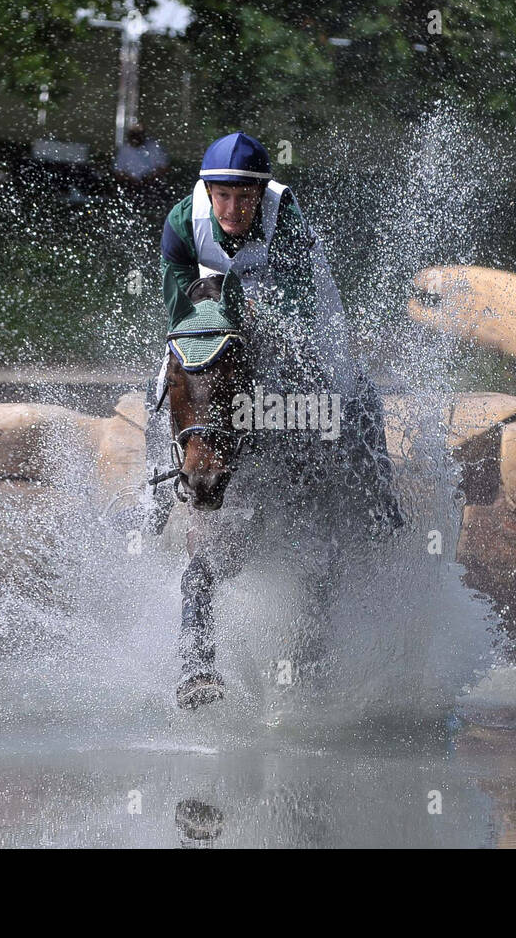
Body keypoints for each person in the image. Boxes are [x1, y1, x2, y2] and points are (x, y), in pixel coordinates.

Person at [142, 131, 403, 708]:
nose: (232, 210)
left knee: (343, 385)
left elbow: (301, 303)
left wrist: (259, 315)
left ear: (261, 193)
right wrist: (216, 309)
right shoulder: (184, 222)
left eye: (244, 198)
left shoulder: (286, 217)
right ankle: (153, 497)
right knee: (167, 378)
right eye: (223, 197)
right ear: (209, 191)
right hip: (212, 307)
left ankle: (379, 489)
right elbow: (177, 303)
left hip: (292, 309)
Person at [114, 122, 170, 190]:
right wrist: (131, 180)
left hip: (151, 185)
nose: (135, 138)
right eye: (133, 135)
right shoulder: (124, 150)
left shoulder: (154, 147)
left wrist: (149, 177)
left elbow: (163, 168)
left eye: (137, 134)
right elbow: (118, 172)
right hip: (129, 185)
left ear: (143, 135)